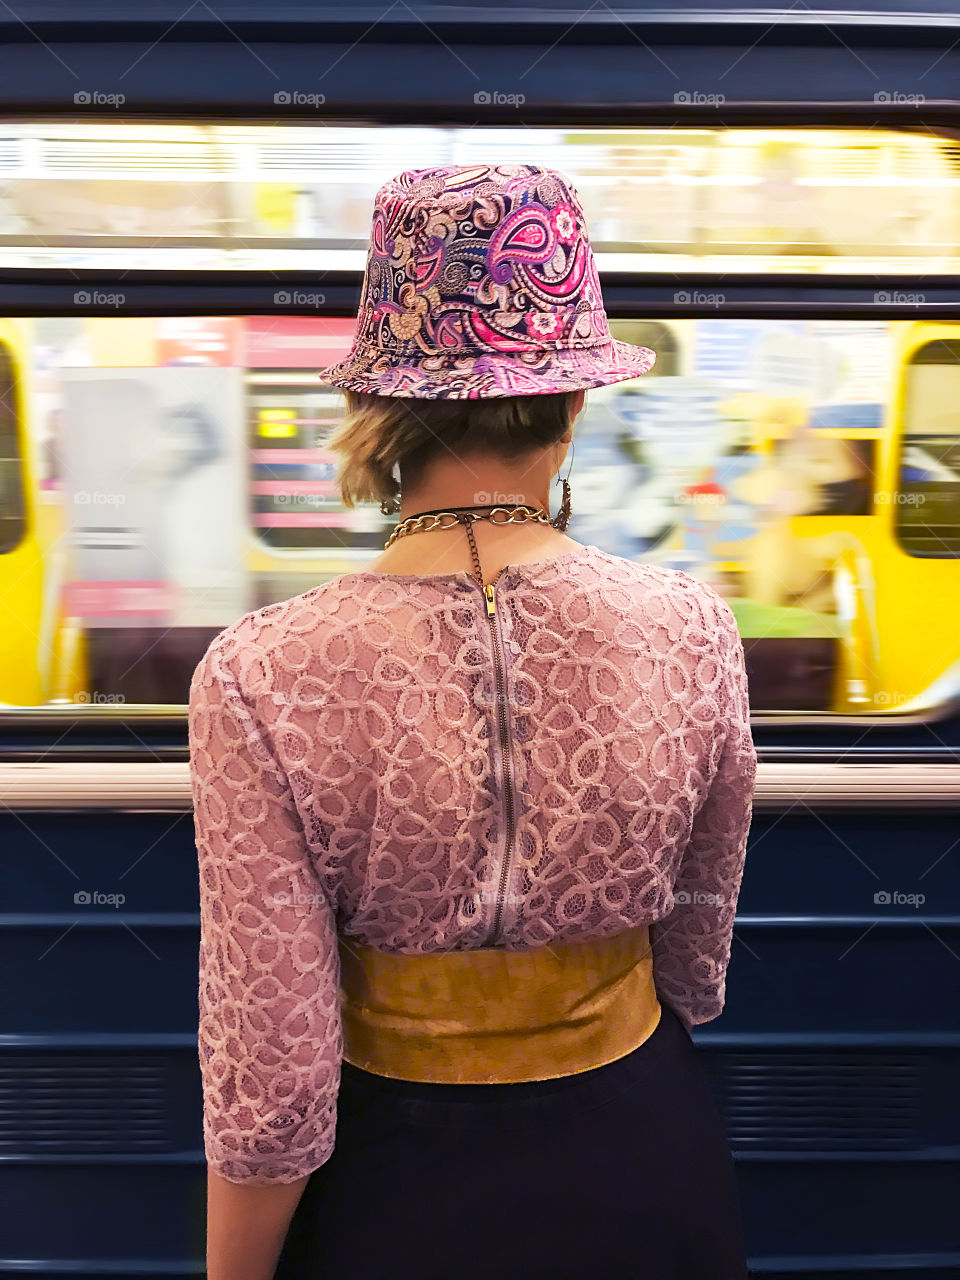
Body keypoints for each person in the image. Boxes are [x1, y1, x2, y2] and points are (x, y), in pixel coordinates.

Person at [188, 163, 758, 1280]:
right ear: (577, 399)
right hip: (641, 1148)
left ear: (376, 409)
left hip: (397, 1177)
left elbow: (276, 1069)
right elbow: (695, 961)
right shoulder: (693, 625)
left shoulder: (259, 672)